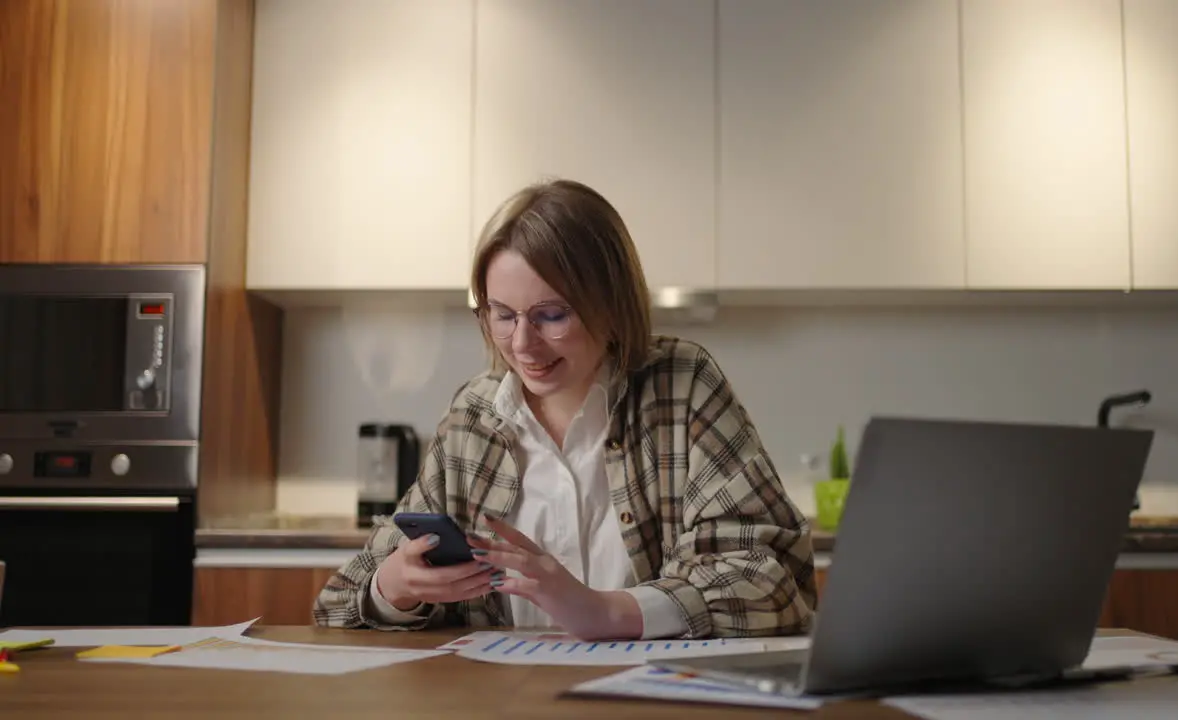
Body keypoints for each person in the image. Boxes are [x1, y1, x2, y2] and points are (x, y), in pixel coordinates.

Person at [313, 179, 817, 640]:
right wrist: (395, 586)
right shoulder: (475, 416)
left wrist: (608, 611)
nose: (523, 343)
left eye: (552, 315)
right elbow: (338, 602)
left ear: (611, 304)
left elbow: (767, 580)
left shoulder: (680, 386)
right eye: (502, 315)